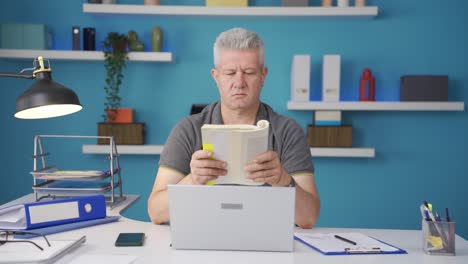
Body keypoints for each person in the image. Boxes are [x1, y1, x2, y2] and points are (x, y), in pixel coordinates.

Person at [148, 27, 320, 228]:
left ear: (263, 76)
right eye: (230, 73)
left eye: (249, 72)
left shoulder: (287, 131)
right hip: (202, 244)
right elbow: (156, 212)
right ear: (216, 76)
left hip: (266, 245)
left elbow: (308, 218)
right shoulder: (188, 129)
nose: (239, 83)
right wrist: (193, 180)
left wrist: (283, 180)